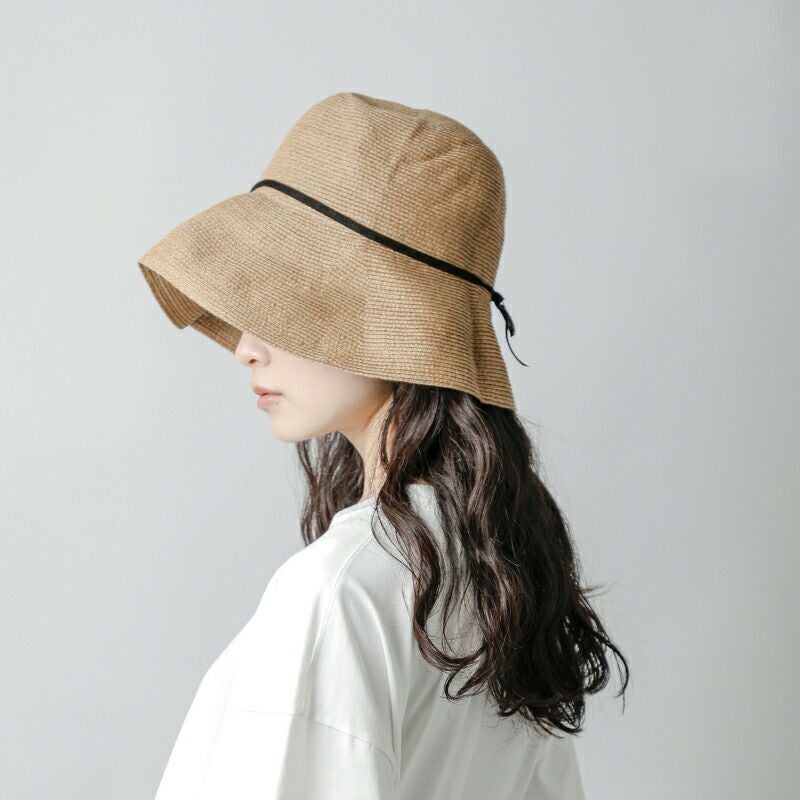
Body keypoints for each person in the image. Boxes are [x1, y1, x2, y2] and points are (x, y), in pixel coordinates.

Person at [138, 91, 629, 799]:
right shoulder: (501, 573)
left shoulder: (342, 589)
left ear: (394, 321)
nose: (246, 346)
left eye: (285, 302)